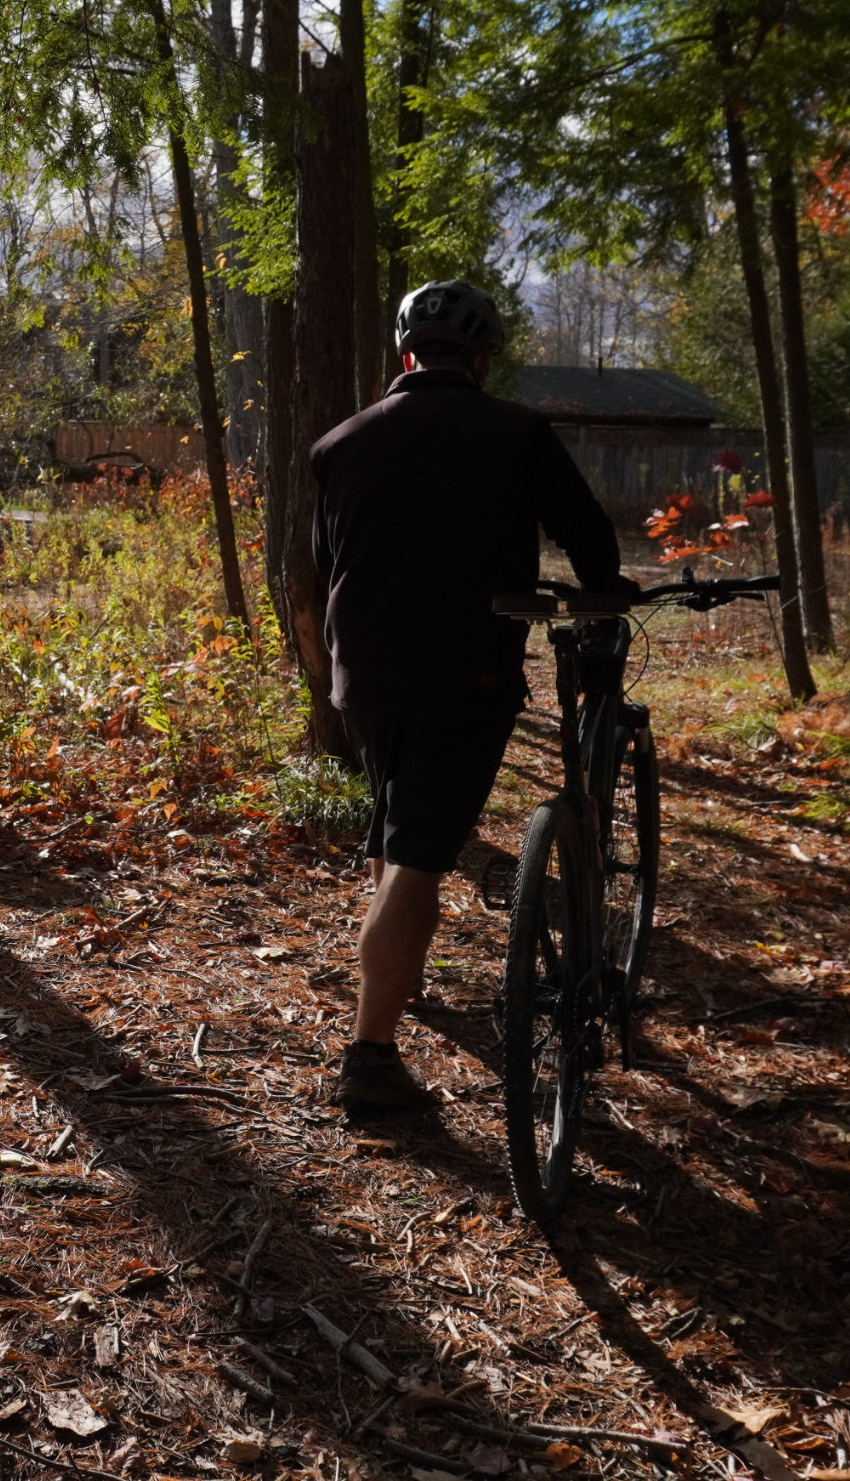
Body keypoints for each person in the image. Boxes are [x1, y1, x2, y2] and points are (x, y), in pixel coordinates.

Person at [310, 278, 628, 1120]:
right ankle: (371, 1057)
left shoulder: (338, 443)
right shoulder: (516, 433)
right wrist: (605, 595)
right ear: (483, 359)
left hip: (361, 677)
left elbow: (322, 562)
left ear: (403, 353)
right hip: (465, 675)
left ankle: (395, 990)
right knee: (419, 851)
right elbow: (590, 538)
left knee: (391, 820)